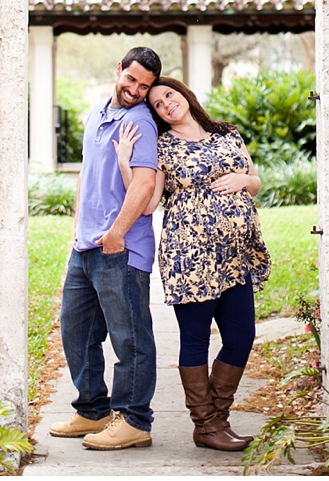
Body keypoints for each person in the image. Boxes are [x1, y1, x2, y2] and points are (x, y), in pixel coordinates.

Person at [115, 75, 271, 452]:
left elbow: (255, 181)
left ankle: (216, 421)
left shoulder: (226, 133)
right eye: (157, 104)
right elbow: (149, 203)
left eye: (169, 95)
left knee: (241, 336)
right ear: (158, 115)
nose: (167, 104)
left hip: (236, 255)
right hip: (190, 256)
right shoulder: (163, 146)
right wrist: (125, 162)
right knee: (196, 339)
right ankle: (206, 424)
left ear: (184, 94)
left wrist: (243, 180)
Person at [49, 46, 162, 451]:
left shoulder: (140, 123)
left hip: (121, 248)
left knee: (129, 337)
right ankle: (93, 409)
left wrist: (116, 233)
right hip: (85, 245)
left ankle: (134, 419)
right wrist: (78, 226)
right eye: (131, 79)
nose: (135, 90)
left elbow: (145, 185)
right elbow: (86, 172)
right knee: (76, 330)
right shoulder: (97, 113)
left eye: (144, 86)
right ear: (118, 70)